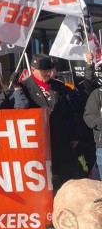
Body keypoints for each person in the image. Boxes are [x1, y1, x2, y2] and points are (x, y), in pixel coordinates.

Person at [20, 54, 86, 188]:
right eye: (44, 71)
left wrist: (74, 135)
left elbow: (70, 112)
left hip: (61, 138)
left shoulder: (59, 87)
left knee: (67, 177)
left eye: (50, 71)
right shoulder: (25, 88)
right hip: (39, 140)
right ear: (33, 70)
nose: (48, 74)